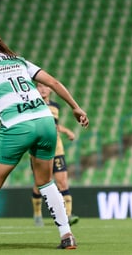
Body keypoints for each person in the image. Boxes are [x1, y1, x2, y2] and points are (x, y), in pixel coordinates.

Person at [0, 28, 89, 251]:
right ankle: (67, 236)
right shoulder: (19, 61)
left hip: (17, 125)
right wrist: (75, 107)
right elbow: (54, 82)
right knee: (46, 182)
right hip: (46, 122)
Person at [32, 82, 79, 227]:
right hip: (39, 148)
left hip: (57, 148)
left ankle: (68, 215)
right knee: (39, 183)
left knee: (63, 182)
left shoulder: (55, 106)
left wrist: (65, 130)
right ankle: (37, 214)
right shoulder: (32, 104)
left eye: (45, 86)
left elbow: (54, 125)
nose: (43, 89)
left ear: (51, 89)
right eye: (39, 86)